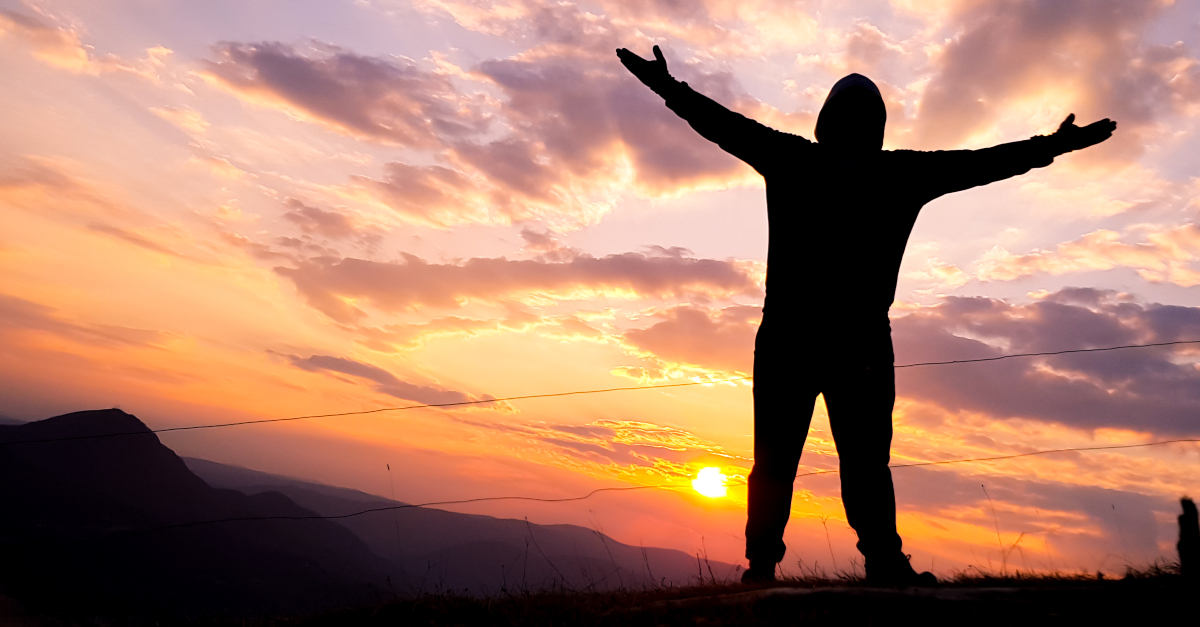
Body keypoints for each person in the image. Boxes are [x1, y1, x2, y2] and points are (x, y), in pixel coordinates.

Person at [616, 45, 1116, 586]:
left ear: (827, 122)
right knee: (849, 464)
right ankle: (864, 561)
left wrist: (667, 87)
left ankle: (775, 564)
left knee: (795, 463)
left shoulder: (801, 159)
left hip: (799, 340)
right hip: (846, 345)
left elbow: (719, 123)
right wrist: (1053, 146)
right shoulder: (893, 172)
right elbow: (984, 163)